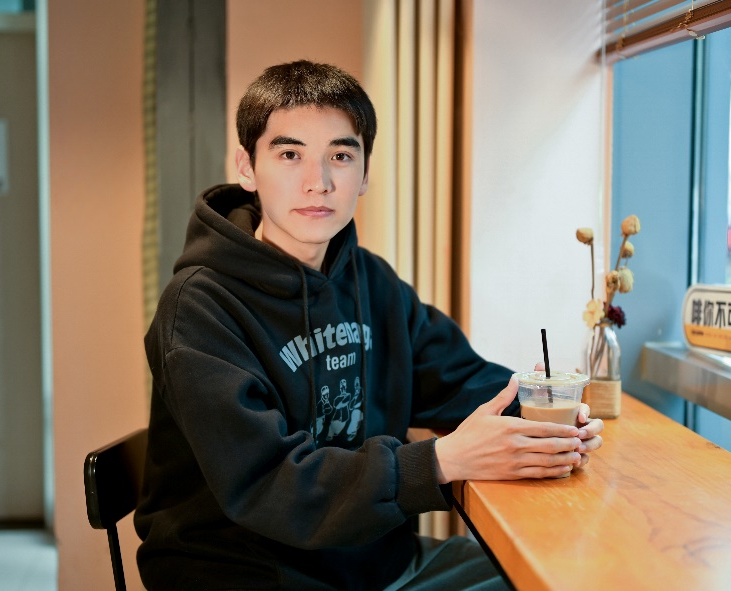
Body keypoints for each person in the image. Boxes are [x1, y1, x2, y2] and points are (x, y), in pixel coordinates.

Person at [135, 60, 604, 591]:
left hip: (376, 563)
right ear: (246, 167)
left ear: (364, 173)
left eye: (340, 155)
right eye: (290, 155)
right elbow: (269, 483)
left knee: (562, 576)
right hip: (250, 576)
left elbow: (455, 377)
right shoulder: (199, 308)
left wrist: (543, 419)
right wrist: (438, 462)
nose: (318, 182)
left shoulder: (369, 280)